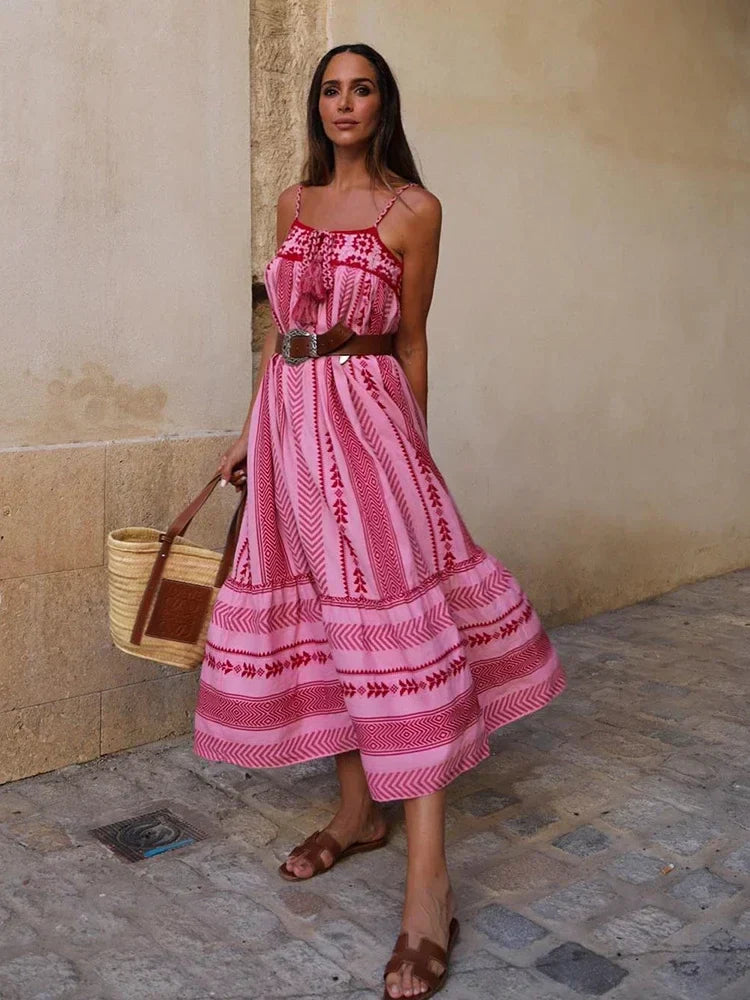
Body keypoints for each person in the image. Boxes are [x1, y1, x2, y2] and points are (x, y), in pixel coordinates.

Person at [193, 42, 566, 1000]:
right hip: (289, 425)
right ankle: (358, 810)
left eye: (361, 89)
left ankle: (427, 888)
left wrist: (418, 453)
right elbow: (280, 334)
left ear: (383, 103)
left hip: (368, 426)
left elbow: (410, 338)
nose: (344, 102)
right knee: (323, 623)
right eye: (331, 89)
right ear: (316, 105)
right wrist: (250, 434)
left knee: (395, 628)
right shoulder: (291, 203)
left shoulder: (415, 210)